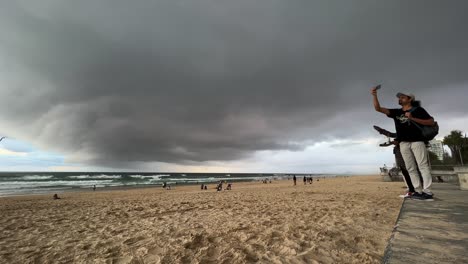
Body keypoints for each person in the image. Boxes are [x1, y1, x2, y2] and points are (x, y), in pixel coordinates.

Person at [371, 87, 435, 200]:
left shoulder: (418, 110)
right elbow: (378, 108)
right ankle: (418, 191)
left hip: (417, 141)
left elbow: (431, 122)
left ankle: (428, 192)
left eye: (402, 97)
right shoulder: (397, 112)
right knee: (410, 168)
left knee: (423, 166)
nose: (400, 99)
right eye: (399, 97)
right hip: (403, 143)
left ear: (409, 99)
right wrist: (374, 95)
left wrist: (413, 118)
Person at [374, 125, 416, 197]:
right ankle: (411, 189)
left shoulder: (406, 135)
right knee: (406, 173)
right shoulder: (402, 134)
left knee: (408, 172)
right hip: (400, 157)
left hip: (404, 156)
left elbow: (393, 136)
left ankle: (413, 190)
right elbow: (392, 135)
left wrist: (382, 131)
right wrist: (382, 132)